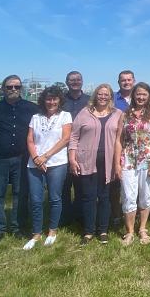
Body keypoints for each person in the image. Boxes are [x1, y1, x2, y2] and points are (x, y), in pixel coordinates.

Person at [0, 75, 38, 244]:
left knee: (21, 194)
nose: (13, 89)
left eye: (17, 87)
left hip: (22, 158)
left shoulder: (31, 109)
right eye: (10, 86)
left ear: (21, 89)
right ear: (3, 88)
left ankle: (18, 227)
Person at [69, 84, 123, 245]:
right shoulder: (84, 113)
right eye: (100, 94)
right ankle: (88, 231)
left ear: (111, 97)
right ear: (95, 95)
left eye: (106, 94)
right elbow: (74, 137)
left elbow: (122, 139)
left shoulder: (118, 114)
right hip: (86, 161)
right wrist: (72, 158)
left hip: (109, 162)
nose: (103, 97)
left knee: (105, 196)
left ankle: (103, 230)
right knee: (88, 197)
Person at [23, 86, 72, 250]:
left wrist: (46, 156)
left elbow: (65, 139)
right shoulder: (35, 117)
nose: (51, 102)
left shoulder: (65, 116)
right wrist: (36, 158)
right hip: (34, 164)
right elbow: (30, 140)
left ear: (59, 100)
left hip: (57, 163)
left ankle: (52, 231)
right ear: (44, 101)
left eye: (54, 99)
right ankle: (36, 233)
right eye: (48, 99)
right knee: (35, 199)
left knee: (55, 198)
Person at [114, 82, 150, 245]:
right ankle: (129, 231)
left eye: (144, 94)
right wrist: (117, 164)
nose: (141, 97)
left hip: (147, 161)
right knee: (128, 196)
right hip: (128, 160)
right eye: (138, 94)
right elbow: (119, 140)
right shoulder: (125, 114)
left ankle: (142, 228)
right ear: (133, 95)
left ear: (149, 96)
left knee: (145, 195)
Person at [60, 71, 90, 227]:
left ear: (82, 81)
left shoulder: (90, 101)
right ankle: (65, 216)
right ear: (67, 82)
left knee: (81, 186)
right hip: (61, 148)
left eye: (78, 79)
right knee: (63, 185)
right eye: (72, 80)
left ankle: (80, 215)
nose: (75, 82)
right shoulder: (60, 100)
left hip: (84, 148)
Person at [112, 70, 135, 226]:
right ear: (118, 82)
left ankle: (135, 213)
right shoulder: (113, 99)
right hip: (116, 143)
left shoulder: (140, 96)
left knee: (134, 184)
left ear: (133, 81)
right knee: (115, 182)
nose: (126, 82)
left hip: (137, 148)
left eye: (129, 80)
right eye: (123, 80)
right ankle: (116, 214)